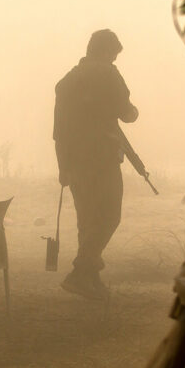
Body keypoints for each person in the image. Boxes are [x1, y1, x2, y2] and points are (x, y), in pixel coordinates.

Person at [53, 28, 139, 301]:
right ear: (105, 51)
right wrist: (133, 112)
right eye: (113, 55)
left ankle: (89, 280)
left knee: (87, 221)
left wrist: (62, 168)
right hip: (101, 160)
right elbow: (127, 114)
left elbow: (59, 132)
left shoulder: (67, 82)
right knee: (110, 216)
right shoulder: (107, 73)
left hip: (74, 163)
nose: (114, 61)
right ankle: (80, 272)